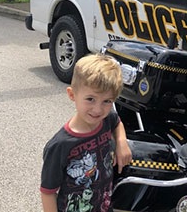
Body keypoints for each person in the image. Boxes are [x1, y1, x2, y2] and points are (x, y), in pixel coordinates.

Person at [40, 54, 133, 212]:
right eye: (90, 99)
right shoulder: (60, 145)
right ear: (72, 95)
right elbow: (48, 192)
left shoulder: (106, 119)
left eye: (107, 101)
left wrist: (122, 142)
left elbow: (117, 122)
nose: (98, 109)